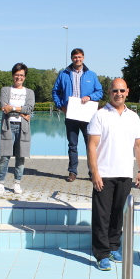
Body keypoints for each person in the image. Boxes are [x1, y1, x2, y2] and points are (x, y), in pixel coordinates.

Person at [88, 78, 140, 271]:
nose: (118, 94)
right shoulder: (100, 116)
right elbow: (92, 146)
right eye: (115, 91)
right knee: (101, 216)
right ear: (109, 92)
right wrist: (94, 172)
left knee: (118, 215)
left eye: (121, 90)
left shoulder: (133, 117)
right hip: (104, 173)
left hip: (124, 173)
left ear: (127, 91)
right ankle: (101, 254)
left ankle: (113, 247)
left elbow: (138, 145)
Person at [52, 48, 103, 182]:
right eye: (75, 57)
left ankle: (93, 172)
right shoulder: (64, 74)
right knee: (72, 145)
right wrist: (61, 106)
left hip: (87, 116)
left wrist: (90, 96)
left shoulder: (91, 75)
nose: (77, 59)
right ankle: (72, 172)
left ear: (83, 58)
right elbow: (55, 92)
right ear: (71, 58)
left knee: (90, 145)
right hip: (71, 115)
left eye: (79, 57)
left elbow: (100, 92)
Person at [0, 63, 35, 195]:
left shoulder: (29, 92)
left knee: (20, 157)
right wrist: (21, 112)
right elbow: (4, 107)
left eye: (21, 75)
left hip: (22, 128)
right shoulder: (5, 90)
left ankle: (17, 182)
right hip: (8, 126)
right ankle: (0, 183)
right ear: (13, 75)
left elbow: (30, 108)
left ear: (25, 77)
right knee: (4, 156)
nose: (19, 77)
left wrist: (13, 108)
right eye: (17, 74)